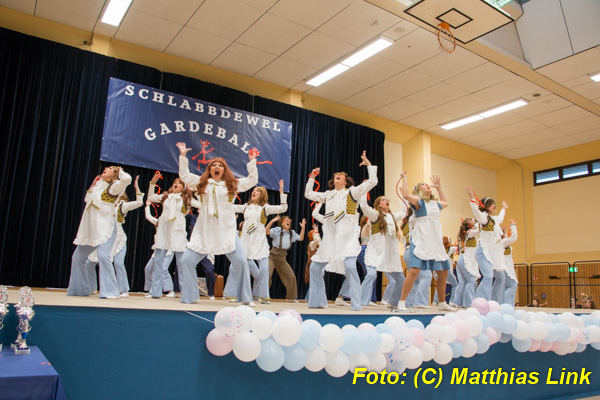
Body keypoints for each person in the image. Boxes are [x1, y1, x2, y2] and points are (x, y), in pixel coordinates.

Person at [176, 142, 258, 305]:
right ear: (210, 169)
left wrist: (252, 161)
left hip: (226, 229)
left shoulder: (232, 184)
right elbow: (184, 175)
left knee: (241, 262)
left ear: (224, 169)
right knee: (186, 261)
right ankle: (190, 296)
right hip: (205, 229)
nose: (217, 167)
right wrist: (183, 155)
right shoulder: (201, 182)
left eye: (220, 165)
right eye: (214, 164)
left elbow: (252, 180)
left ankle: (245, 298)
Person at [305, 151, 377, 311]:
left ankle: (356, 304)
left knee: (350, 267)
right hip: (330, 238)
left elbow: (373, 181)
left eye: (341, 175)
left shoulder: (352, 192)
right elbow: (308, 194)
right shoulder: (328, 195)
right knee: (315, 268)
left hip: (347, 237)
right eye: (335, 175)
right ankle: (318, 301)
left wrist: (369, 165)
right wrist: (312, 177)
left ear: (346, 180)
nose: (337, 175)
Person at [67, 166, 132, 298]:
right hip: (92, 230)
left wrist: (120, 171)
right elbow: (87, 200)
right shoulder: (98, 186)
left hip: (106, 229)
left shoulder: (113, 187)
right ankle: (80, 289)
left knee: (103, 256)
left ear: (113, 175)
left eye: (110, 168)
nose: (106, 168)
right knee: (77, 257)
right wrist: (92, 185)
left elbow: (127, 179)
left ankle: (110, 291)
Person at [395, 172, 454, 312]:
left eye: (427, 184)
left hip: (435, 241)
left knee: (443, 271)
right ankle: (402, 302)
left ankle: (442, 303)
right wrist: (405, 178)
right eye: (423, 185)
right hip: (421, 240)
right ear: (418, 191)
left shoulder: (435, 204)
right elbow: (405, 194)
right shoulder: (419, 202)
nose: (427, 185)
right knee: (414, 270)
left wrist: (439, 188)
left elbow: (446, 202)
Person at [86, 175, 144, 298]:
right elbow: (88, 200)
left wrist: (136, 187)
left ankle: (123, 289)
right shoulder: (103, 202)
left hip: (118, 238)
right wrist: (93, 186)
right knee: (90, 262)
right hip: (102, 234)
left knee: (118, 263)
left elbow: (139, 203)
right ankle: (91, 287)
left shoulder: (122, 205)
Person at [231, 180, 288, 304]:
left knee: (264, 269)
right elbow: (230, 206)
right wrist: (234, 193)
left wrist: (281, 192)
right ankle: (235, 294)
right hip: (246, 240)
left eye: (257, 191)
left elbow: (283, 208)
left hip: (259, 241)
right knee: (236, 266)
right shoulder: (246, 207)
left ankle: (264, 296)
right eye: (253, 190)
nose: (254, 192)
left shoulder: (265, 208)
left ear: (262, 195)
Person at [146, 173, 192, 299]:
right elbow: (151, 196)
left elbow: (200, 204)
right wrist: (153, 183)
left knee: (181, 263)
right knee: (158, 261)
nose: (176, 184)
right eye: (175, 182)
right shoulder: (166, 196)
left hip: (177, 230)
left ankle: (186, 293)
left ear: (184, 187)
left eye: (179, 183)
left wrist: (194, 191)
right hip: (164, 229)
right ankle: (155, 291)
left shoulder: (186, 199)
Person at [359, 195, 407, 307]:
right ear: (379, 204)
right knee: (371, 275)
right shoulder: (375, 215)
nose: (387, 201)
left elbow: (404, 212)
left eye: (387, 199)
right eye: (383, 200)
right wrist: (364, 191)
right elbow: (364, 206)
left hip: (389, 254)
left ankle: (393, 302)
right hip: (375, 252)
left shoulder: (393, 217)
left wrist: (404, 197)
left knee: (401, 279)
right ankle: (361, 301)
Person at [466, 187, 508, 302]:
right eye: (491, 203)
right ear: (486, 206)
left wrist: (504, 209)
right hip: (484, 252)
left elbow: (500, 218)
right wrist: (472, 197)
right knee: (488, 276)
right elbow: (476, 212)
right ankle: (478, 302)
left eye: (494, 203)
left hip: (494, 253)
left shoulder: (494, 219)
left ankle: (494, 302)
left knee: (501, 278)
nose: (494, 205)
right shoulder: (484, 218)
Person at [266, 215, 306, 302]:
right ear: (282, 223)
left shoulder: (292, 233)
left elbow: (301, 238)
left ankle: (290, 298)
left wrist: (303, 228)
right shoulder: (277, 230)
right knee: (267, 275)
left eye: (289, 220)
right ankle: (264, 296)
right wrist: (272, 221)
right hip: (272, 256)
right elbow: (266, 231)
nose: (288, 221)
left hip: (282, 258)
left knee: (291, 277)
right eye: (286, 220)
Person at [143, 200, 176, 296]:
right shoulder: (158, 222)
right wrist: (147, 206)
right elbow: (148, 217)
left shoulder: (171, 223)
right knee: (148, 269)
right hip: (157, 251)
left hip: (168, 251)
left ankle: (170, 290)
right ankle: (152, 289)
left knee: (163, 269)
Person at [455, 218, 479, 308]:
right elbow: (478, 229)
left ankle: (460, 302)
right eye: (470, 219)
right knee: (471, 281)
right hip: (466, 259)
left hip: (463, 259)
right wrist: (479, 221)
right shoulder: (469, 233)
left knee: (465, 282)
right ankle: (469, 303)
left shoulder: (467, 234)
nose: (473, 220)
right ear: (468, 224)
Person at [501, 220, 518, 306]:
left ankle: (506, 305)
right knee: (513, 285)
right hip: (506, 267)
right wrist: (513, 225)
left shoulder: (501, 242)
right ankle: (508, 305)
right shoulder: (502, 242)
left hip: (504, 267)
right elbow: (514, 238)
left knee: (505, 287)